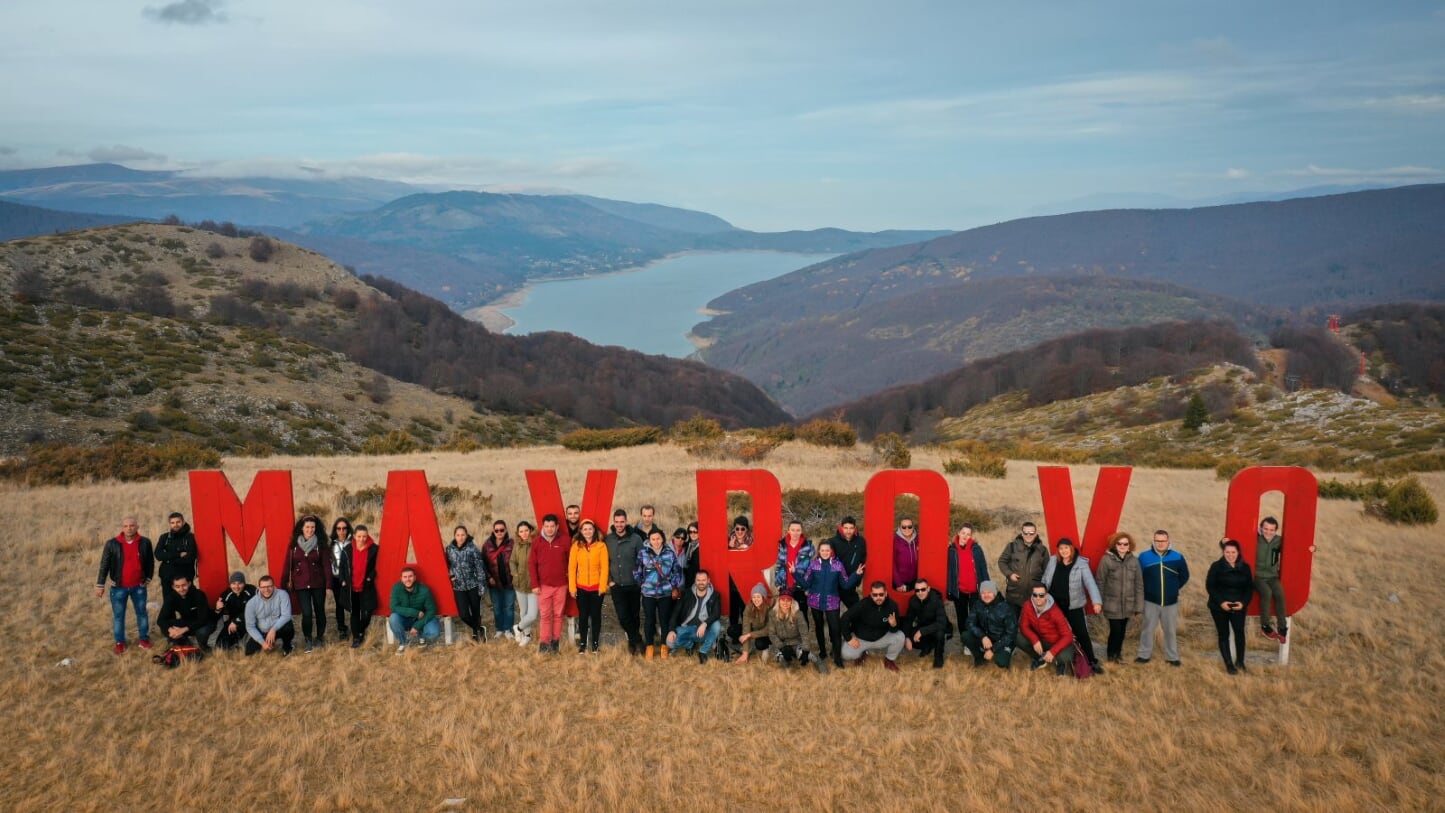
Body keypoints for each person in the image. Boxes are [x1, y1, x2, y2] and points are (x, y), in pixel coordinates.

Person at [1040, 537, 1105, 673]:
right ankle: (1060, 661)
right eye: (1061, 548)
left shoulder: (1081, 563)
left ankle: (1092, 661)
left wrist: (1096, 601)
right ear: (1058, 550)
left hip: (1073, 606)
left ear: (1071, 549)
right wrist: (1040, 597)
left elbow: (1090, 583)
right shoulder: (1053, 561)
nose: (1064, 551)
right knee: (1055, 633)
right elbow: (1045, 580)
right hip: (1054, 606)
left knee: (1082, 634)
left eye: (1066, 548)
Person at [94, 516, 154, 654]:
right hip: (118, 587)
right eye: (126, 526)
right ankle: (120, 642)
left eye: (132, 525)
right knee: (119, 616)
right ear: (122, 527)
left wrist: (148, 578)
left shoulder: (145, 542)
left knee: (142, 614)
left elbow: (150, 562)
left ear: (137, 527)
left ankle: (144, 639)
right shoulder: (112, 544)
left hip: (139, 587)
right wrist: (100, 584)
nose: (129, 528)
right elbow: (104, 565)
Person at [800, 540, 858, 672]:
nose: (825, 552)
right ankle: (822, 652)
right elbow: (806, 582)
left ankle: (837, 657)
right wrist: (794, 573)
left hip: (832, 601)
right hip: (815, 601)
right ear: (819, 551)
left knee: (835, 629)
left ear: (831, 551)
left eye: (827, 550)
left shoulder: (838, 565)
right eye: (822, 550)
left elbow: (845, 584)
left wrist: (856, 575)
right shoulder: (813, 565)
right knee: (819, 627)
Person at [1137, 529, 1190, 666]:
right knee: (1147, 628)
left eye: (1163, 541)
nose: (1160, 544)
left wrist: (1173, 588)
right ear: (1153, 541)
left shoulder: (1178, 557)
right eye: (1157, 541)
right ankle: (1144, 655)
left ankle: (1172, 657)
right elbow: (1139, 577)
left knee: (1170, 630)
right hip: (1150, 600)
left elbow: (1185, 576)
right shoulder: (1144, 557)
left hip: (1170, 602)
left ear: (1168, 541)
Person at [1255, 516, 1312, 643]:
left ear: (1276, 530)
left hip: (1272, 576)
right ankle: (1265, 626)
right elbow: (1234, 544)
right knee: (1267, 593)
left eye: (1271, 530)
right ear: (1260, 528)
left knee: (1280, 595)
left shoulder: (1279, 541)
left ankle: (1282, 628)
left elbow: (1295, 548)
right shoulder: (1255, 539)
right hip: (1257, 577)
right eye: (1265, 529)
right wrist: (1223, 542)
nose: (1268, 532)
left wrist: (1311, 548)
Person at [282, 514, 330, 652]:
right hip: (301, 585)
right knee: (307, 613)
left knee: (320, 611)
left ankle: (319, 638)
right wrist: (283, 584)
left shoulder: (321, 544)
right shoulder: (294, 545)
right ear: (302, 528)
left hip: (318, 584)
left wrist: (328, 585)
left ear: (316, 528)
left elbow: (326, 565)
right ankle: (308, 638)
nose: (310, 530)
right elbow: (287, 566)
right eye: (307, 527)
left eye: (313, 527)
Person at [1208, 539, 1255, 674]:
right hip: (1219, 607)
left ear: (1238, 552)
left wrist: (1243, 603)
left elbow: (1249, 588)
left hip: (1238, 606)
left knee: (1239, 633)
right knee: (1224, 634)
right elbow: (1210, 586)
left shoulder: (1245, 567)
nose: (1230, 555)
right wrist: (1222, 602)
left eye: (1233, 552)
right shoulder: (1216, 566)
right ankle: (1229, 664)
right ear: (1223, 552)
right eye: (1227, 552)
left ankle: (1240, 662)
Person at [1096, 532, 1144, 664]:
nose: (1122, 546)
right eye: (1119, 543)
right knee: (1115, 630)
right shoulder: (1107, 560)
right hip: (1112, 604)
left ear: (1129, 546)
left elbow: (1139, 585)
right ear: (1115, 545)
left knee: (1122, 631)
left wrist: (1139, 606)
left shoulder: (1134, 561)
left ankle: (1118, 654)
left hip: (1128, 604)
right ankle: (1111, 655)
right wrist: (1098, 602)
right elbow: (1100, 581)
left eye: (1125, 544)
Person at [636, 527, 684, 659]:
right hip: (648, 594)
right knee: (649, 620)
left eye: (658, 538)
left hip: (665, 594)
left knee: (664, 620)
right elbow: (637, 570)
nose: (656, 541)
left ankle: (664, 646)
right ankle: (649, 647)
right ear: (649, 540)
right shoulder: (643, 553)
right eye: (653, 539)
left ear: (662, 538)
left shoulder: (669, 553)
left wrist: (672, 585)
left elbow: (677, 571)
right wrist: (642, 583)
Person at [840, 580, 906, 671]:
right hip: (862, 639)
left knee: (900, 636)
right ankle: (862, 653)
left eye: (881, 594)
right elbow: (845, 618)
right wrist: (848, 638)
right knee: (845, 654)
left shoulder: (892, 606)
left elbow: (894, 630)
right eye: (875, 595)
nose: (878, 597)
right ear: (871, 594)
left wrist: (894, 625)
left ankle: (889, 660)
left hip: (881, 638)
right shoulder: (863, 604)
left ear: (886, 593)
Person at [528, 514, 571, 655]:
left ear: (557, 526)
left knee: (558, 614)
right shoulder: (537, 542)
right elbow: (531, 564)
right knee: (545, 615)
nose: (550, 529)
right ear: (543, 527)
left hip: (561, 585)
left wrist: (570, 581)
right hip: (544, 585)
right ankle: (544, 643)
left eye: (552, 526)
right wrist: (535, 584)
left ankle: (555, 642)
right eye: (547, 526)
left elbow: (571, 562)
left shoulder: (565, 540)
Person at [605, 510, 645, 655]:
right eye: (617, 522)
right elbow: (605, 562)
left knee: (634, 615)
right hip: (617, 585)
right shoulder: (608, 540)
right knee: (622, 616)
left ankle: (632, 643)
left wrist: (640, 580)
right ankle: (638, 640)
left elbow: (642, 561)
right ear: (613, 522)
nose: (619, 524)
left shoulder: (636, 539)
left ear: (626, 521)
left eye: (622, 522)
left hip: (634, 585)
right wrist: (609, 581)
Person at [945, 523, 991, 644]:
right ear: (959, 533)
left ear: (971, 536)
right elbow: (948, 572)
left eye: (968, 534)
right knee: (962, 617)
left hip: (975, 590)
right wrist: (949, 589)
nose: (965, 536)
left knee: (976, 616)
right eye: (963, 533)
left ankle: (977, 640)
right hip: (959, 590)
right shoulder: (951, 550)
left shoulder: (976, 549)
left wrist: (986, 588)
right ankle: (966, 641)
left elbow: (983, 569)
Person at [1017, 582, 1076, 675]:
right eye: (1035, 595)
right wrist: (1034, 640)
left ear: (1046, 596)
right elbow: (1023, 626)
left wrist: (1053, 652)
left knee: (1064, 657)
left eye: (1041, 595)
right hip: (1042, 640)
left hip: (1058, 642)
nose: (1038, 598)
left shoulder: (1055, 612)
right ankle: (1039, 658)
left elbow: (1068, 636)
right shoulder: (1027, 605)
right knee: (1018, 637)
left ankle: (1060, 663)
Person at [568, 519, 609, 654]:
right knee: (583, 616)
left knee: (596, 616)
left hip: (597, 589)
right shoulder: (576, 547)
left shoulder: (601, 546)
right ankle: (583, 644)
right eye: (584, 529)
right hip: (581, 588)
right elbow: (572, 567)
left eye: (590, 529)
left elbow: (604, 568)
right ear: (581, 531)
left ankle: (595, 644)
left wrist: (602, 587)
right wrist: (572, 588)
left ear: (594, 530)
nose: (587, 531)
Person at [667, 570, 724, 663]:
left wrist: (705, 624)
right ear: (695, 580)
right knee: (669, 642)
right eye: (698, 580)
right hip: (687, 628)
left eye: (703, 580)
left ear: (708, 581)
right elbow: (675, 613)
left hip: (703, 630)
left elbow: (716, 613)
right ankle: (690, 645)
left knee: (717, 625)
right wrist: (672, 630)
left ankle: (703, 651)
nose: (701, 582)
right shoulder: (686, 593)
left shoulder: (715, 595)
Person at [962, 581, 1018, 668]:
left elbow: (1011, 634)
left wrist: (992, 649)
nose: (986, 595)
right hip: (986, 638)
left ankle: (1007, 652)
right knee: (965, 635)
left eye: (989, 592)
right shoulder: (978, 604)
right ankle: (979, 657)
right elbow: (969, 623)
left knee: (1001, 662)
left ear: (995, 593)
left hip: (1002, 641)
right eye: (983, 593)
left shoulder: (1006, 607)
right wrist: (982, 636)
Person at [997, 521, 1049, 618]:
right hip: (1015, 593)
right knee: (1011, 622)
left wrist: (1042, 587)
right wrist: (1009, 574)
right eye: (1026, 533)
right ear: (1022, 533)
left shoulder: (1042, 550)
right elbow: (1002, 561)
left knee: (1033, 624)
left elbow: (1047, 570)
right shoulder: (1012, 546)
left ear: (1036, 534)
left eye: (1031, 533)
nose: (1028, 535)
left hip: (1034, 595)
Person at [445, 525, 487, 642]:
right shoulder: (449, 549)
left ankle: (476, 634)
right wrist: (451, 575)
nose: (460, 537)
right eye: (458, 535)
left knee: (475, 612)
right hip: (459, 587)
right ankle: (478, 629)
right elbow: (447, 566)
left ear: (467, 535)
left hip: (473, 585)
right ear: (454, 536)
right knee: (463, 614)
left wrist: (482, 585)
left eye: (463, 535)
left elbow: (480, 567)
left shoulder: (472, 548)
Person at [341, 524, 380, 647]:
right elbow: (342, 567)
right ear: (354, 536)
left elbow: (378, 566)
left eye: (364, 536)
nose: (362, 539)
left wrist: (370, 576)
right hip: (351, 588)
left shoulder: (374, 549)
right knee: (355, 613)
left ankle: (361, 630)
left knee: (367, 613)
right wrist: (342, 579)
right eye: (359, 536)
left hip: (366, 587)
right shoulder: (347, 550)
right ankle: (356, 638)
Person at [156, 575, 216, 652]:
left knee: (201, 632)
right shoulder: (171, 597)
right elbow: (160, 620)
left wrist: (183, 630)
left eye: (184, 585)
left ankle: (204, 646)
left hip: (204, 623)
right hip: (187, 622)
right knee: (165, 627)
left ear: (189, 584)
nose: (181, 589)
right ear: (173, 587)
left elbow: (203, 619)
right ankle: (185, 644)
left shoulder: (199, 594)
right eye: (177, 586)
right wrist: (171, 630)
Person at [389, 566, 441, 654]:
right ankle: (403, 644)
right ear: (401, 579)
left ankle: (421, 635)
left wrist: (418, 625)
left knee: (433, 633)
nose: (407, 579)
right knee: (393, 618)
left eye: (410, 576)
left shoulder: (424, 590)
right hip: (406, 618)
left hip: (423, 618)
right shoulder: (396, 588)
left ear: (415, 577)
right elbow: (393, 606)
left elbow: (432, 610)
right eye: (405, 577)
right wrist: (414, 613)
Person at [244, 575, 295, 656]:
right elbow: (250, 626)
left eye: (269, 586)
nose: (266, 590)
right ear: (259, 588)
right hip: (262, 630)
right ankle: (268, 643)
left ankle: (287, 646)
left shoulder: (282, 595)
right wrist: (262, 642)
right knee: (249, 652)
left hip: (278, 628)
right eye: (263, 587)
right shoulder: (251, 604)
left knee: (288, 627)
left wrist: (273, 629)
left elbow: (286, 615)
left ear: (274, 586)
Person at [772, 521, 816, 614]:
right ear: (788, 531)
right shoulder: (782, 545)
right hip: (785, 585)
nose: (795, 533)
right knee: (785, 614)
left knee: (802, 613)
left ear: (801, 531)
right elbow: (779, 564)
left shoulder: (808, 546)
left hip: (801, 586)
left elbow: (812, 569)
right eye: (793, 530)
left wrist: (808, 587)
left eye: (798, 530)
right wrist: (777, 582)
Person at [905, 578, 949, 669]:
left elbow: (941, 623)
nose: (920, 592)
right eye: (917, 590)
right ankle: (927, 646)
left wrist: (922, 631)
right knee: (911, 637)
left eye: (923, 589)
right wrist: (907, 637)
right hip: (923, 627)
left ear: (928, 589)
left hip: (936, 627)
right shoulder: (913, 601)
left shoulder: (936, 600)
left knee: (940, 634)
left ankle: (938, 656)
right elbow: (908, 620)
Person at [154, 512, 197, 604]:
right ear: (169, 524)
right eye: (172, 523)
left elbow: (190, 557)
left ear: (183, 522)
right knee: (168, 604)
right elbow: (158, 555)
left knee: (188, 603)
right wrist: (178, 554)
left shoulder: (190, 537)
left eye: (178, 522)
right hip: (167, 577)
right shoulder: (165, 537)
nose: (175, 525)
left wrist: (168, 559)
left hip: (185, 576)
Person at [483, 520, 515, 642]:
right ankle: (499, 629)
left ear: (506, 529)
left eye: (502, 530)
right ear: (493, 531)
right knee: (497, 606)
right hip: (494, 582)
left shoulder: (512, 543)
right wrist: (489, 577)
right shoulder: (487, 545)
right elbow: (483, 564)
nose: (499, 532)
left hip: (509, 581)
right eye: (497, 530)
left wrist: (515, 576)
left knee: (509, 606)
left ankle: (508, 629)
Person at [827, 516, 868, 610]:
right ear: (841, 527)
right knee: (833, 614)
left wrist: (857, 578)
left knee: (856, 611)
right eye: (846, 528)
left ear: (855, 528)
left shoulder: (861, 541)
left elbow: (863, 560)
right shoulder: (832, 541)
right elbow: (827, 562)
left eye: (851, 528)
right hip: (836, 584)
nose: (848, 531)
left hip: (851, 583)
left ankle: (854, 624)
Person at [765, 591, 811, 668]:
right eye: (783, 600)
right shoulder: (772, 614)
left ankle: (821, 667)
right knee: (784, 663)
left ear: (792, 602)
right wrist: (782, 647)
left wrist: (806, 650)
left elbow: (804, 633)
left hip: (796, 642)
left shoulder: (798, 614)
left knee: (810, 656)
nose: (785, 603)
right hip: (781, 644)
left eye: (788, 600)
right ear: (779, 601)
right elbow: (772, 634)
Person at [214, 571, 256, 651]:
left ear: (244, 583)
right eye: (233, 584)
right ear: (230, 585)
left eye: (239, 583)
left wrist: (236, 621)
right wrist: (217, 610)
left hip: (249, 619)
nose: (236, 587)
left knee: (249, 648)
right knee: (220, 646)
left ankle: (243, 641)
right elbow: (216, 616)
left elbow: (253, 611)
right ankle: (235, 642)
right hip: (232, 622)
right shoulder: (226, 594)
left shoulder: (251, 591)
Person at [510, 521, 537, 646]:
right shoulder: (517, 545)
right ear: (518, 533)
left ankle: (518, 628)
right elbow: (512, 562)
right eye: (521, 531)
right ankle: (527, 635)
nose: (524, 533)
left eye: (526, 530)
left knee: (532, 614)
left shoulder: (536, 543)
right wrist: (515, 574)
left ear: (531, 530)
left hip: (533, 585)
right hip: (520, 584)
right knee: (523, 612)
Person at [327, 518, 353, 642]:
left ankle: (355, 627)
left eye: (344, 528)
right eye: (339, 528)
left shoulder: (353, 543)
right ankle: (342, 629)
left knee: (354, 603)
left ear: (348, 529)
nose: (341, 531)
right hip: (336, 578)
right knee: (339, 605)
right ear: (335, 530)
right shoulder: (331, 544)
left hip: (351, 579)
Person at [736, 583, 773, 663]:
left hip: (766, 633)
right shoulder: (749, 608)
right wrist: (745, 653)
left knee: (759, 644)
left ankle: (767, 648)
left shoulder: (769, 607)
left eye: (758, 597)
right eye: (754, 597)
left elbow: (768, 629)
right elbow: (746, 628)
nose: (756, 599)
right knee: (732, 630)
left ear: (763, 597)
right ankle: (747, 648)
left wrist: (749, 635)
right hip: (754, 629)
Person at [892, 517, 921, 593]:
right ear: (899, 528)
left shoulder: (918, 540)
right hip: (900, 581)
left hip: (915, 579)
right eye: (904, 527)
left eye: (909, 526)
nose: (907, 529)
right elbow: (892, 563)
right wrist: (898, 583)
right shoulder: (895, 541)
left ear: (913, 527)